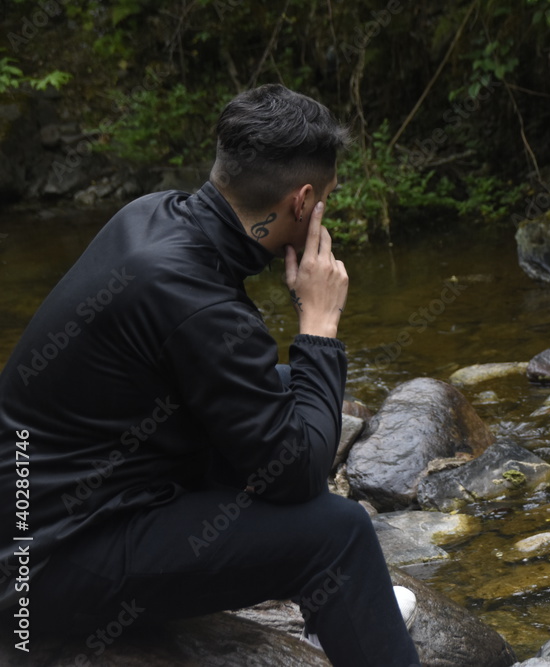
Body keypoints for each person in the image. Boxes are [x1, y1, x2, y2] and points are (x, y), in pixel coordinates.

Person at [0, 84, 420, 666]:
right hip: (49, 563)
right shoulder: (198, 303)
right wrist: (320, 325)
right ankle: (341, 595)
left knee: (275, 388)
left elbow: (229, 391)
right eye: (327, 198)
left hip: (39, 516)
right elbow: (296, 472)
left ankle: (344, 608)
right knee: (339, 532)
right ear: (303, 202)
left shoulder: (150, 215)